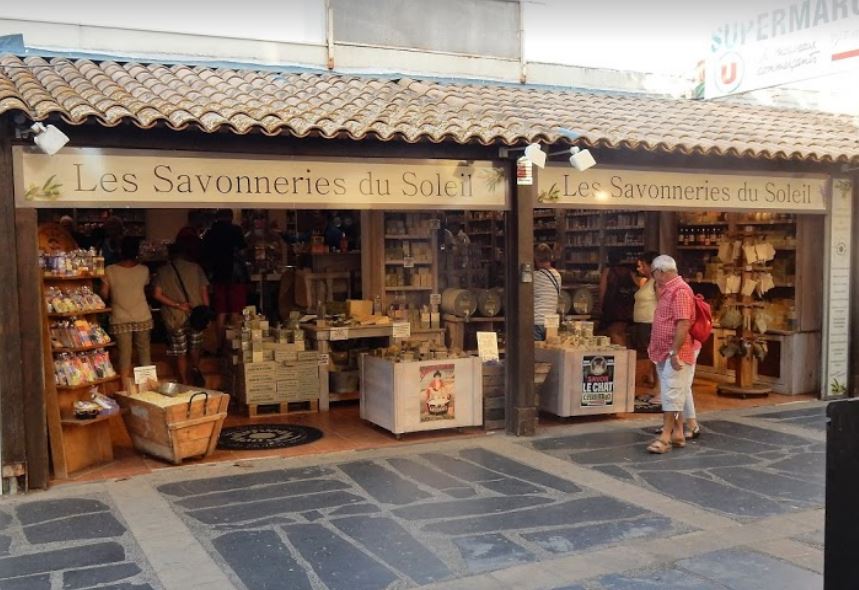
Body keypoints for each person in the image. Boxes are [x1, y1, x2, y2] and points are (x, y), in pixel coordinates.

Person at [646, 255, 700, 454]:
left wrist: (674, 351)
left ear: (660, 272)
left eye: (653, 273)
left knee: (671, 395)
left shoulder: (680, 291)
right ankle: (678, 433)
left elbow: (683, 322)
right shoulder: (669, 290)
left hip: (675, 352)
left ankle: (665, 437)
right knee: (673, 393)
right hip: (664, 352)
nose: (653, 277)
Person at [153, 236, 210, 385]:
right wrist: (206, 312)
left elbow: (157, 294)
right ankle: (195, 370)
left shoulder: (162, 271)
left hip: (174, 317)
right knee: (195, 347)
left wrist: (177, 305)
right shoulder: (196, 268)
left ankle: (184, 381)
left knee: (180, 352)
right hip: (196, 315)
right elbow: (204, 292)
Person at [100, 236, 152, 381]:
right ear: (137, 252)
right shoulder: (144, 270)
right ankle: (147, 386)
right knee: (144, 353)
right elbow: (146, 289)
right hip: (142, 316)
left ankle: (124, 386)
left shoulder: (109, 270)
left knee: (124, 355)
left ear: (120, 250)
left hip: (120, 317)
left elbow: (104, 294)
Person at [203, 209, 248, 353]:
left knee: (220, 312)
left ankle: (220, 345)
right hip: (235, 275)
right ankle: (234, 346)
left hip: (217, 275)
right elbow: (242, 250)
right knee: (235, 311)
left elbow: (206, 255)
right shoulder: (236, 230)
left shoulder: (210, 233)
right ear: (231, 217)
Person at [599, 251, 637, 346]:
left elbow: (602, 290)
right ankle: (626, 351)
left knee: (613, 332)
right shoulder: (629, 271)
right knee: (621, 332)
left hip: (612, 306)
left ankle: (623, 353)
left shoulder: (607, 271)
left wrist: (600, 305)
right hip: (627, 307)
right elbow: (636, 287)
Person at [634, 251, 659, 392]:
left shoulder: (656, 283)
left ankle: (657, 383)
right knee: (650, 354)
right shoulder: (646, 281)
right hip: (643, 322)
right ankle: (652, 379)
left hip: (651, 322)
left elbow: (661, 303)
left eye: (642, 265)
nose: (640, 269)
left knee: (654, 354)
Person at [533, 243, 561, 341]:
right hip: (551, 322)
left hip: (537, 320)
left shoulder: (535, 276)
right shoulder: (557, 276)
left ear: (536, 259)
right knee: (550, 349)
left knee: (536, 349)